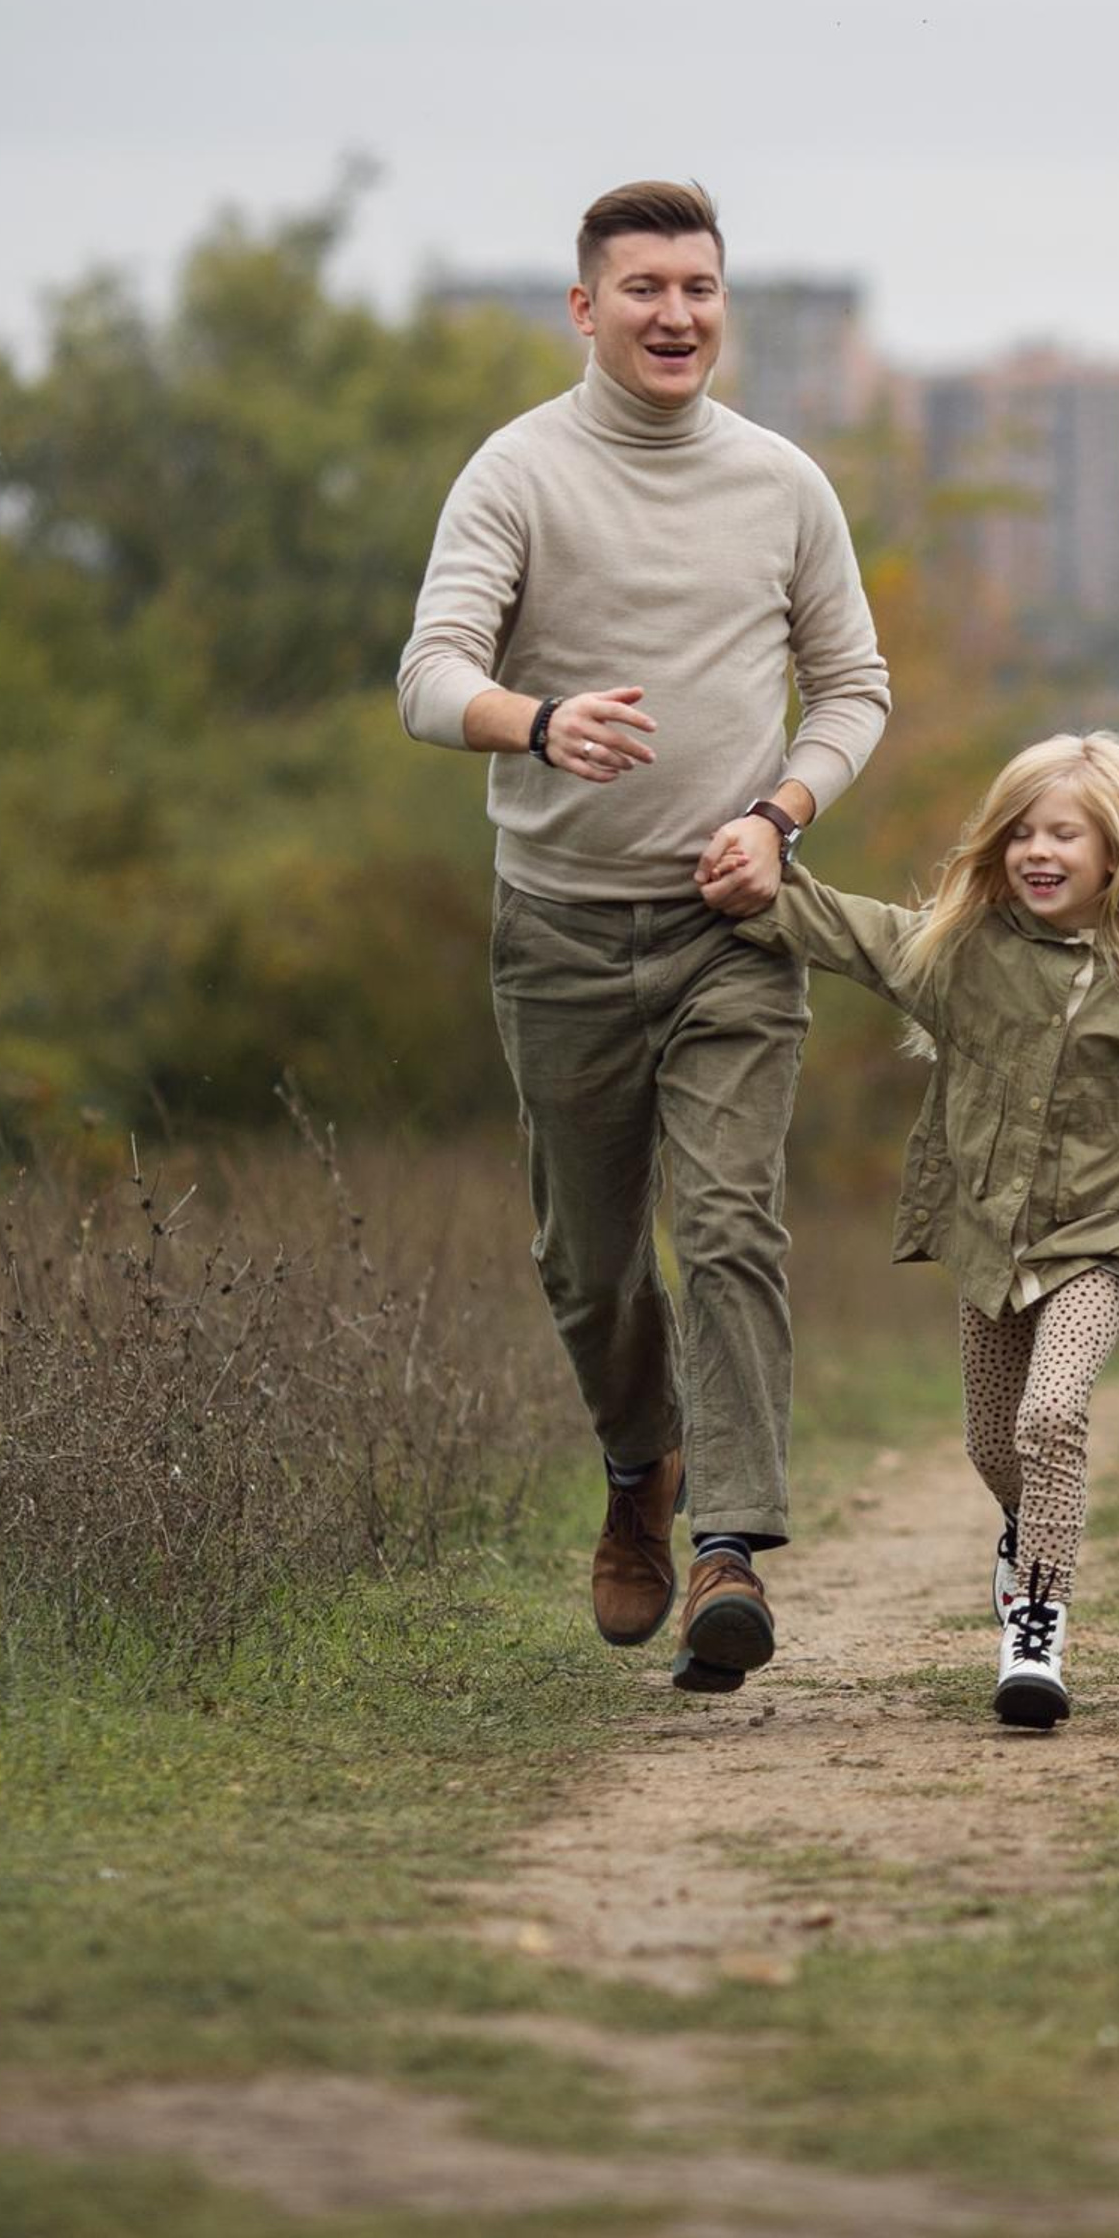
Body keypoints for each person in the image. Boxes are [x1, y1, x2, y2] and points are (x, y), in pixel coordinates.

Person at [398, 179, 891, 1695]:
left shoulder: (783, 484)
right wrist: (538, 722)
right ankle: (641, 1469)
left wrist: (783, 814)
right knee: (589, 1263)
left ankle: (729, 1551)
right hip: (558, 932)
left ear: (721, 305)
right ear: (586, 308)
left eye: (699, 288)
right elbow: (429, 677)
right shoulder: (518, 472)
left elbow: (854, 688)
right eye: (645, 289)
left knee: (732, 1225)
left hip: (731, 930)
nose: (676, 315)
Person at [720, 730, 1119, 1727]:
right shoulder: (960, 957)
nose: (1038, 851)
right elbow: (844, 929)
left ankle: (1037, 1624)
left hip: (1103, 1240)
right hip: (988, 1240)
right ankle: (1024, 1528)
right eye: (1022, 833)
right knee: (992, 1444)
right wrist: (749, 879)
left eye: (1065, 835)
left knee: (1050, 1417)